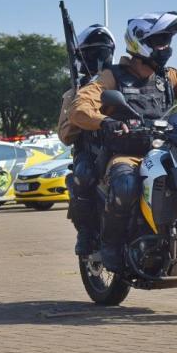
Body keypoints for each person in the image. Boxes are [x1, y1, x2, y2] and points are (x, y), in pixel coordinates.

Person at [68, 12, 177, 270]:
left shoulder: (166, 77)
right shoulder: (112, 77)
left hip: (168, 149)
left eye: (167, 40)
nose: (165, 47)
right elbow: (80, 106)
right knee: (124, 184)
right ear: (139, 43)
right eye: (159, 40)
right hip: (128, 154)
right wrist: (105, 121)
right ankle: (110, 244)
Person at [57, 24, 115, 255]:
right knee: (83, 174)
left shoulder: (123, 82)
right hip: (91, 152)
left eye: (102, 52)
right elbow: (65, 135)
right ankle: (87, 231)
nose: (98, 58)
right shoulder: (74, 93)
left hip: (128, 145)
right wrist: (78, 114)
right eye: (91, 53)